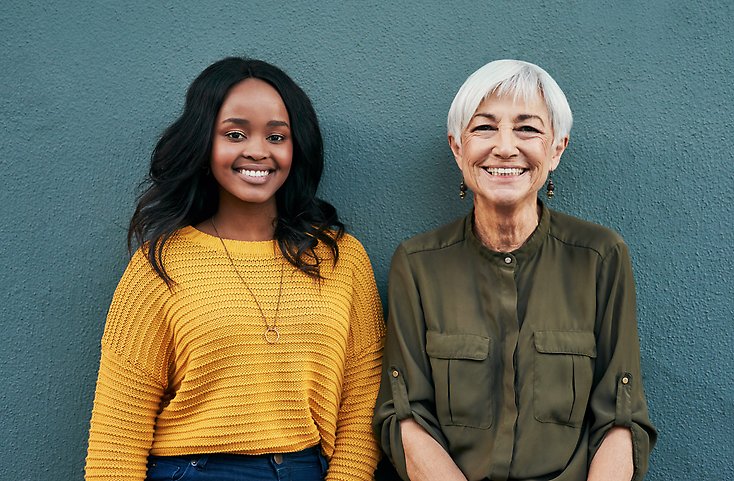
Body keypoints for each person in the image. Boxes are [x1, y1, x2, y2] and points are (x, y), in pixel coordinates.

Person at [85, 57, 385, 481]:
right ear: (204, 145)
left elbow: (362, 400)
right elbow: (117, 437)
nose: (257, 151)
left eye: (276, 136)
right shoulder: (159, 263)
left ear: (295, 147)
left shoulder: (341, 258)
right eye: (235, 134)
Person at [373, 59, 656, 481]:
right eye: (485, 128)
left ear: (556, 149)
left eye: (527, 129)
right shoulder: (417, 265)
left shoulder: (600, 256)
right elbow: (406, 416)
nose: (505, 147)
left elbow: (621, 416)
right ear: (457, 148)